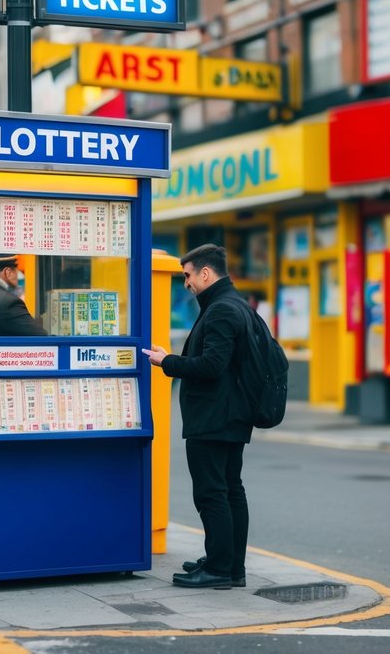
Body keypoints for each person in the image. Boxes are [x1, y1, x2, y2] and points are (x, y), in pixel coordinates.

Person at [142, 244, 253, 590]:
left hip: (214, 417)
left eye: (188, 275)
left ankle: (220, 569)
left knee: (211, 493)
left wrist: (168, 362)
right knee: (230, 489)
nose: (186, 283)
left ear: (205, 273)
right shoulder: (237, 305)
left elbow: (212, 365)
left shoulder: (220, 310)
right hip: (232, 414)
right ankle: (231, 565)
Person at [0, 254, 46, 336]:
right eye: (16, 270)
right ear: (8, 272)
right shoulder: (7, 303)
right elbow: (41, 338)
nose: (18, 275)